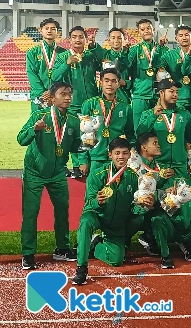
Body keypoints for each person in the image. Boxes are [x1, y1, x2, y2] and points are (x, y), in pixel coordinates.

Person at [18, 82, 82, 270]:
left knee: (63, 210)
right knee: (30, 214)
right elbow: (21, 139)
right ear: (52, 98)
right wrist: (34, 130)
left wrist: (89, 142)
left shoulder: (74, 120)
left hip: (58, 173)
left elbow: (75, 146)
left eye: (70, 93)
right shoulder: (40, 116)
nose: (68, 97)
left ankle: (62, 248)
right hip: (34, 173)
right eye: (63, 94)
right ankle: (28, 254)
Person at [72, 137, 151, 285]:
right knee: (85, 222)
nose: (121, 157)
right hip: (97, 215)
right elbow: (89, 202)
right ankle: (81, 268)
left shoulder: (134, 177)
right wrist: (98, 201)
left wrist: (143, 205)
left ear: (130, 155)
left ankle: (95, 245)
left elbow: (133, 207)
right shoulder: (97, 175)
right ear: (110, 155)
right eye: (117, 153)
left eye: (125, 153)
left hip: (116, 221)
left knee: (116, 261)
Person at [53, 26, 100, 179]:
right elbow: (54, 77)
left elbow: (105, 64)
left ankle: (90, 163)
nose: (78, 39)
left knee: (91, 133)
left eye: (81, 37)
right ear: (70, 40)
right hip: (72, 103)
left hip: (92, 102)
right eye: (74, 37)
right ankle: (77, 166)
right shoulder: (63, 56)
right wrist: (66, 63)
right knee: (74, 135)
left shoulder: (91, 55)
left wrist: (95, 48)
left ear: (85, 39)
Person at [137, 78, 191, 177]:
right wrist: (153, 116)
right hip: (159, 164)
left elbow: (190, 138)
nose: (175, 95)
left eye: (177, 92)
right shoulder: (148, 114)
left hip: (180, 165)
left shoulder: (185, 114)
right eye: (171, 91)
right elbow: (140, 134)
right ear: (161, 93)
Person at [80, 68, 135, 173]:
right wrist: (83, 160)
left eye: (114, 81)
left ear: (118, 84)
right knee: (95, 188)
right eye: (106, 80)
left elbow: (130, 133)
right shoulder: (89, 104)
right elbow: (84, 133)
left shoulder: (125, 107)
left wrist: (130, 152)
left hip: (117, 158)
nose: (110, 84)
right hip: (96, 157)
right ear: (100, 83)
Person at [135, 132, 174, 256]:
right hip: (137, 207)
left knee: (176, 201)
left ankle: (152, 236)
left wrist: (169, 185)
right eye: (155, 143)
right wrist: (162, 193)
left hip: (155, 204)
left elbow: (168, 188)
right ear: (144, 147)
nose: (159, 146)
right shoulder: (134, 166)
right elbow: (139, 193)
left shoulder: (160, 166)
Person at [128, 19, 169, 128]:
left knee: (159, 129)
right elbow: (126, 66)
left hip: (158, 97)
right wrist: (124, 51)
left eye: (148, 28)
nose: (146, 31)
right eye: (142, 29)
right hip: (140, 96)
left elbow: (163, 66)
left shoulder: (163, 49)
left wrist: (160, 47)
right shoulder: (134, 50)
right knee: (140, 128)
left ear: (153, 30)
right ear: (139, 32)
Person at [157, 25, 191, 124]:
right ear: (176, 38)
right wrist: (160, 47)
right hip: (178, 99)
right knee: (178, 129)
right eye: (181, 35)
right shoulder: (169, 55)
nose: (184, 38)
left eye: (186, 35)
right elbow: (158, 69)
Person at [26, 18, 67, 112]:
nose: (49, 30)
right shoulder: (32, 52)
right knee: (38, 125)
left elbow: (64, 76)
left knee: (57, 125)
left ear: (57, 32)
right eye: (46, 28)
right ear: (41, 31)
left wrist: (52, 91)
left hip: (57, 96)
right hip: (39, 97)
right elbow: (31, 73)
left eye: (53, 29)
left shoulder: (64, 53)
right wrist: (42, 93)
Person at [87, 27, 131, 103]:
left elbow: (137, 76)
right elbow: (96, 51)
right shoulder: (104, 54)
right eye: (113, 38)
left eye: (119, 38)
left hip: (123, 95)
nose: (116, 40)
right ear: (109, 41)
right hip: (105, 95)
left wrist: (127, 83)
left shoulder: (130, 55)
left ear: (124, 40)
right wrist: (92, 44)